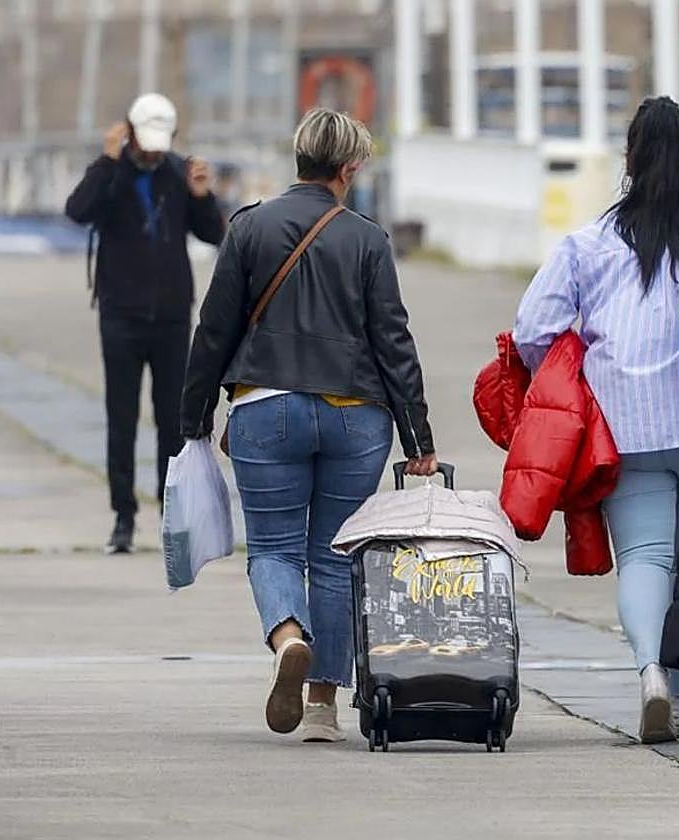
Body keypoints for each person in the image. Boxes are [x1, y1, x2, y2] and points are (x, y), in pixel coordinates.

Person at [513, 96, 679, 743]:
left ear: (628, 159)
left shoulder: (589, 245)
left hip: (623, 427)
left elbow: (531, 330)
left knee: (643, 556)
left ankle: (650, 676)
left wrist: (577, 365)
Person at [180, 108, 437, 742]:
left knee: (272, 548)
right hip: (357, 417)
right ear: (349, 168)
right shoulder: (368, 239)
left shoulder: (248, 228)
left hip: (266, 409)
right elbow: (393, 342)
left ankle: (288, 636)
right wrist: (418, 439)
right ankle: (322, 704)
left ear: (299, 157)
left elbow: (214, 330)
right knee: (335, 557)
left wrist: (193, 418)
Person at [65, 93, 225, 554]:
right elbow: (77, 211)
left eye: (162, 144)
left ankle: (168, 514)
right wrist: (105, 159)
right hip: (120, 314)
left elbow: (215, 234)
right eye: (146, 143)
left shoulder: (177, 172)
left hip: (172, 316)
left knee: (173, 423)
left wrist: (203, 195)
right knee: (121, 417)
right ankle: (122, 515)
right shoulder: (112, 173)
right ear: (130, 132)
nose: (153, 153)